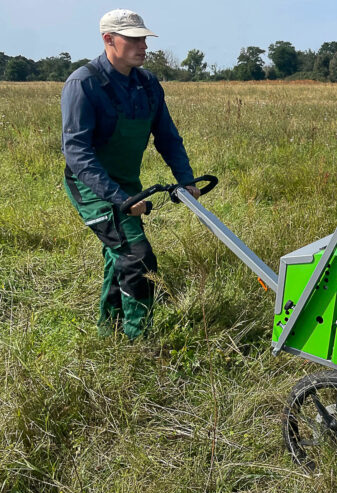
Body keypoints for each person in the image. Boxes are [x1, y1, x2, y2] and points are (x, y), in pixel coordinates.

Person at [61, 9, 200, 338]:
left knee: (120, 253)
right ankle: (140, 339)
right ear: (109, 39)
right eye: (134, 39)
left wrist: (186, 179)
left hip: (126, 185)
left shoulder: (148, 84)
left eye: (144, 39)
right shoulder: (84, 83)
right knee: (137, 256)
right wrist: (120, 198)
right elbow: (77, 152)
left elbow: (167, 136)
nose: (143, 46)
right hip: (91, 186)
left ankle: (109, 333)